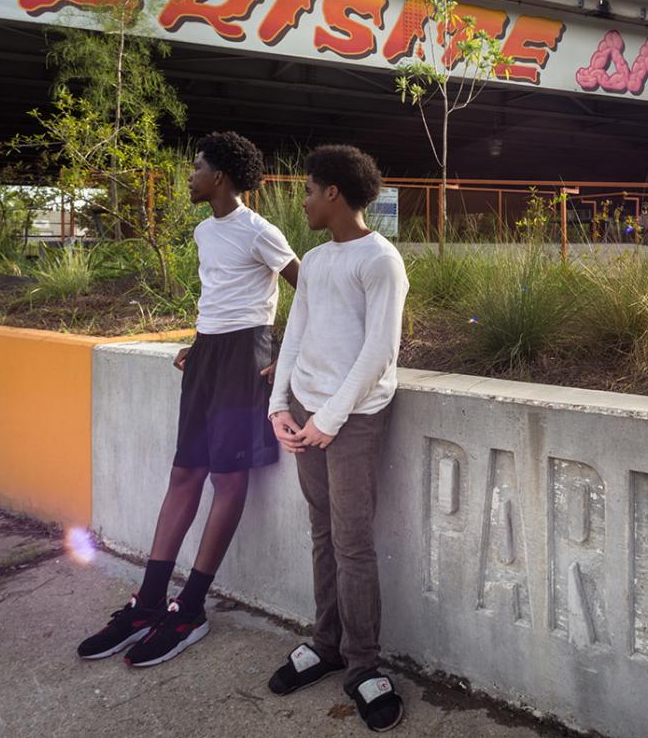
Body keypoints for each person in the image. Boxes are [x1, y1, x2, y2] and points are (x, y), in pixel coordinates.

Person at [77, 132, 299, 666]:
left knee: (227, 479)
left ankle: (191, 608)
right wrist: (198, 342)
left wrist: (286, 354)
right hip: (207, 358)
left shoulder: (259, 231)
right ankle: (149, 602)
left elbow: (308, 286)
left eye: (196, 167)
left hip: (246, 357)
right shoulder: (205, 231)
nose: (189, 175)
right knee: (184, 474)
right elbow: (217, 295)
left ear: (219, 176)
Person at [264, 144, 408, 733]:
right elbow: (294, 333)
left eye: (306, 190)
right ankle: (325, 644)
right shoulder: (317, 263)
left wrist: (331, 418)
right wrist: (280, 406)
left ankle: (364, 666)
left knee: (352, 543)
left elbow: (381, 351)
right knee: (322, 532)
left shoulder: (381, 260)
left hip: (352, 420)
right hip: (304, 412)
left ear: (333, 193)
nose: (301, 201)